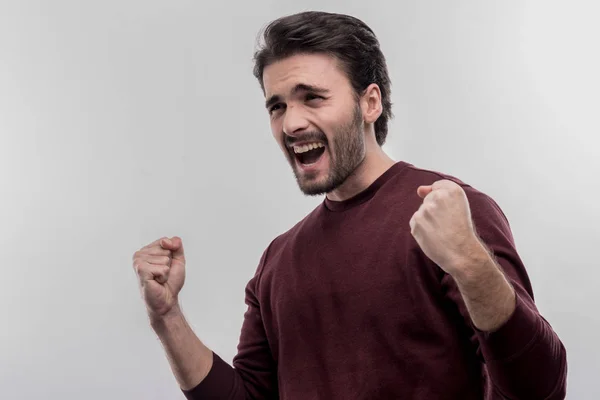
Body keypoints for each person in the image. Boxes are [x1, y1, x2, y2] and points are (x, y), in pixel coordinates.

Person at [131, 11, 567, 400]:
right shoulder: (277, 261)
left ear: (370, 102)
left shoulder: (450, 213)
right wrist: (167, 317)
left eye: (312, 98)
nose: (292, 122)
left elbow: (540, 389)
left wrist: (471, 262)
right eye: (277, 106)